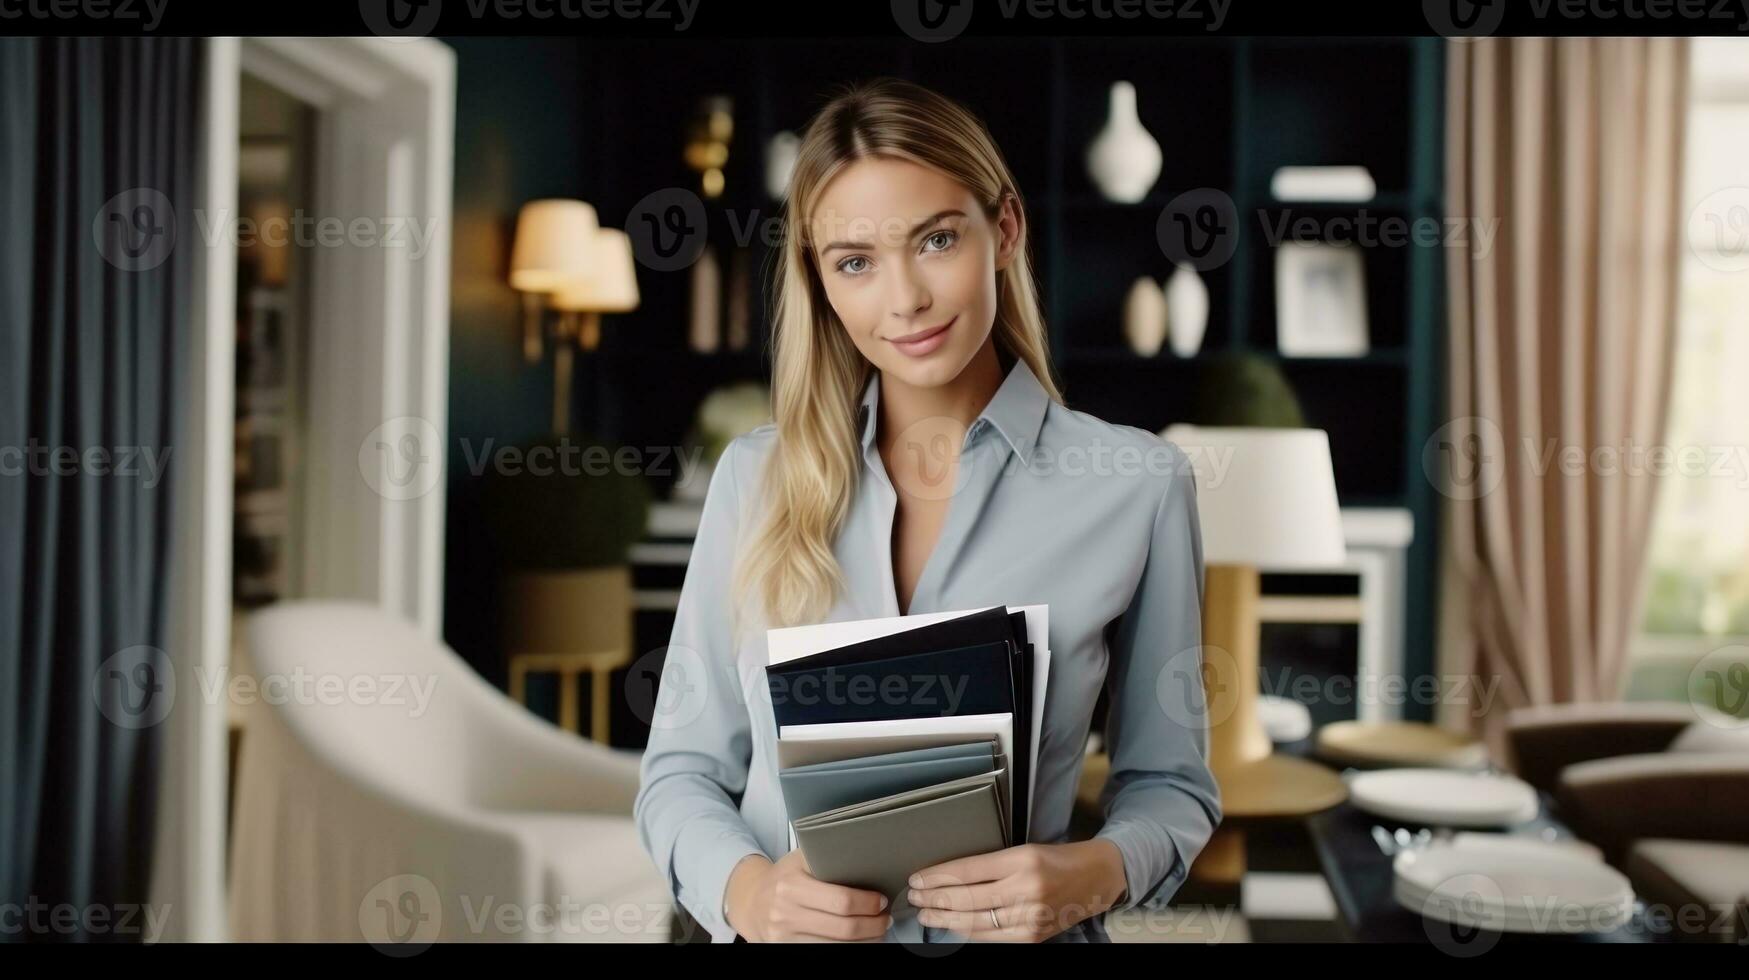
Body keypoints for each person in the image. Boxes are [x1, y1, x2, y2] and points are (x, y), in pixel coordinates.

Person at [633, 77, 1221, 943]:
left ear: (1005, 230)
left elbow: (1172, 785)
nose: (902, 299)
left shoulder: (1137, 485)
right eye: (855, 261)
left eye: (936, 239)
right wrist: (748, 893)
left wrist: (1092, 872)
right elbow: (679, 772)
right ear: (820, 282)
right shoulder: (753, 480)